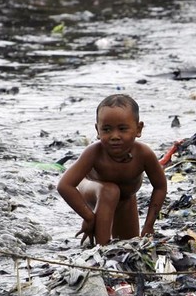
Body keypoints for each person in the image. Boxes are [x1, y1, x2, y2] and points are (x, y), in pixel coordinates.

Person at [58, 94, 168, 246]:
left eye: (122, 129)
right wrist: (88, 216)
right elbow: (64, 185)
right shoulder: (94, 152)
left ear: (138, 129)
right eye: (107, 129)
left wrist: (149, 225)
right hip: (92, 190)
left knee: (128, 246)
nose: (114, 136)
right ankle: (101, 251)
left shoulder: (144, 154)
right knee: (110, 191)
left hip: (126, 198)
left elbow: (160, 186)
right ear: (97, 130)